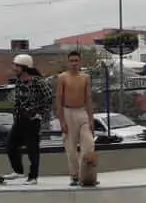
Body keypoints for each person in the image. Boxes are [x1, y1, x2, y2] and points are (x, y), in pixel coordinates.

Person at [8, 53, 53, 185]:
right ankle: (18, 171)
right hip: (20, 119)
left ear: (24, 67)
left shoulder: (37, 81)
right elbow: (17, 100)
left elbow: (49, 97)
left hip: (33, 120)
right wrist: (15, 114)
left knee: (32, 149)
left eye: (16, 66)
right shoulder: (18, 81)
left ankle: (33, 177)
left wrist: (38, 111)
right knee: (10, 145)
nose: (14, 68)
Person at [55, 51, 94, 187]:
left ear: (80, 62)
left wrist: (91, 119)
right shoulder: (62, 77)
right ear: (68, 62)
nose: (74, 63)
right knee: (71, 148)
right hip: (68, 112)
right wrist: (62, 121)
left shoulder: (85, 77)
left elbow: (88, 99)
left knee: (89, 144)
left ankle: (86, 174)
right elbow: (59, 99)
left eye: (76, 60)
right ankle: (74, 176)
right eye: (71, 61)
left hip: (82, 111)